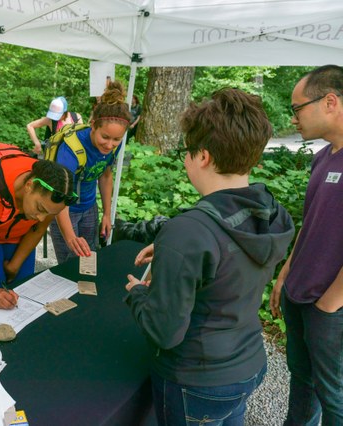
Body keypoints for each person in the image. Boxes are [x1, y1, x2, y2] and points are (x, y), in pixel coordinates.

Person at [125, 88, 294, 425]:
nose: (185, 160)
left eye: (187, 152)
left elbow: (165, 331)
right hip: (248, 362)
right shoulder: (273, 213)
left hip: (197, 379)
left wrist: (138, 294)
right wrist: (175, 251)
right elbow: (233, 255)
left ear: (202, 156)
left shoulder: (189, 233)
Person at [269, 65, 343, 426]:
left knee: (335, 396)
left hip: (330, 306)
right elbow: (310, 223)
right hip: (299, 294)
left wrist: (331, 303)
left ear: (330, 102)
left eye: (298, 108)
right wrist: (285, 274)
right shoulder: (323, 156)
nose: (293, 118)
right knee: (302, 379)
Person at [0, 156, 76, 309]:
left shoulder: (53, 196)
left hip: (16, 231)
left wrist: (14, 265)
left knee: (25, 292)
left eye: (49, 213)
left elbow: (37, 230)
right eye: (40, 209)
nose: (41, 218)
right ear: (29, 185)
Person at [48, 81, 131, 264]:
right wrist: (70, 238)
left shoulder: (113, 146)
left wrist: (107, 214)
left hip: (89, 206)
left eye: (117, 139)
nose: (110, 145)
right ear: (93, 125)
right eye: (105, 137)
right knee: (69, 263)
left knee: (89, 260)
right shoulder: (71, 150)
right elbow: (60, 198)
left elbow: (105, 174)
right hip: (64, 209)